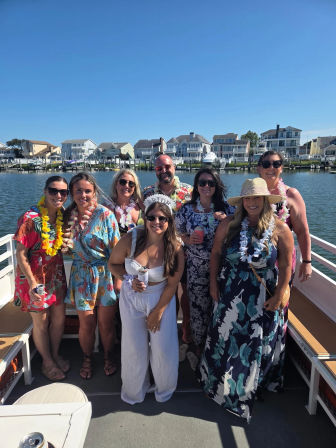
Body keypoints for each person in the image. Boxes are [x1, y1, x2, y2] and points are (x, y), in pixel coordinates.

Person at [198, 178, 294, 422]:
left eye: (257, 198)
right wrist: (212, 284)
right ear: (242, 202)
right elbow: (216, 253)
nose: (252, 202)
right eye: (248, 198)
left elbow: (285, 263)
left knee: (258, 342)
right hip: (231, 290)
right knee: (224, 337)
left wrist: (283, 290)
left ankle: (253, 387)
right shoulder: (230, 224)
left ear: (265, 200)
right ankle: (220, 384)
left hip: (263, 295)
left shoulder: (279, 228)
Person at [108, 194, 185, 404]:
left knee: (163, 347)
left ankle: (164, 389)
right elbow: (112, 264)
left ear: (169, 221)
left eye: (162, 218)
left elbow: (172, 284)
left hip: (161, 298)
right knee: (134, 346)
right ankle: (134, 391)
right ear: (145, 218)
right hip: (131, 298)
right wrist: (128, 278)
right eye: (151, 218)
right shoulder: (130, 240)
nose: (156, 222)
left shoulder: (175, 248)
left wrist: (158, 312)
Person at [63, 172, 120, 379]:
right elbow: (63, 245)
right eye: (78, 190)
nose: (83, 195)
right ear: (72, 193)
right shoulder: (67, 216)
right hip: (80, 275)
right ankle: (87, 358)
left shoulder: (106, 215)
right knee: (86, 324)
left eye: (87, 190)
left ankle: (108, 356)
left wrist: (118, 280)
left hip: (104, 274)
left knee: (106, 324)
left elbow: (117, 250)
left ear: (94, 192)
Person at [175, 168, 234, 369]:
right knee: (198, 311)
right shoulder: (187, 209)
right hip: (196, 268)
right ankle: (200, 350)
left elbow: (242, 231)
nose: (206, 186)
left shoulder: (228, 209)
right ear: (196, 186)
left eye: (211, 183)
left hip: (223, 269)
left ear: (216, 186)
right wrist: (186, 239)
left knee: (221, 309)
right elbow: (175, 232)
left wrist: (225, 221)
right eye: (202, 183)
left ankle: (219, 350)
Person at [14, 176, 69, 381]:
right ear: (45, 191)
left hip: (55, 275)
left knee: (59, 318)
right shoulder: (31, 219)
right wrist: (32, 283)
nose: (58, 195)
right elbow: (20, 253)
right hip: (34, 278)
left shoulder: (61, 214)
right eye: (54, 191)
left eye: (63, 192)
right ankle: (47, 362)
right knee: (41, 322)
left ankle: (54, 355)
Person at [143, 154, 193, 345]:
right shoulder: (147, 193)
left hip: (187, 253)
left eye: (167, 167)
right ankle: (166, 334)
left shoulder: (189, 192)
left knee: (187, 297)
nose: (164, 171)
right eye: (159, 168)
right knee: (165, 295)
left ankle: (186, 337)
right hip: (159, 255)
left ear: (174, 167)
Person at [257, 150, 312, 282]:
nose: (271, 168)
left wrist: (307, 261)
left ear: (281, 168)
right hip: (256, 257)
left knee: (280, 298)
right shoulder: (252, 194)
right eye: (266, 164)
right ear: (259, 168)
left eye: (276, 164)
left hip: (282, 260)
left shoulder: (291, 194)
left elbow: (302, 232)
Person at [109, 168, 142, 235]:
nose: (127, 186)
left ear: (134, 187)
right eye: (122, 182)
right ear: (116, 184)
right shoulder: (106, 208)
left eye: (131, 184)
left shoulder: (141, 206)